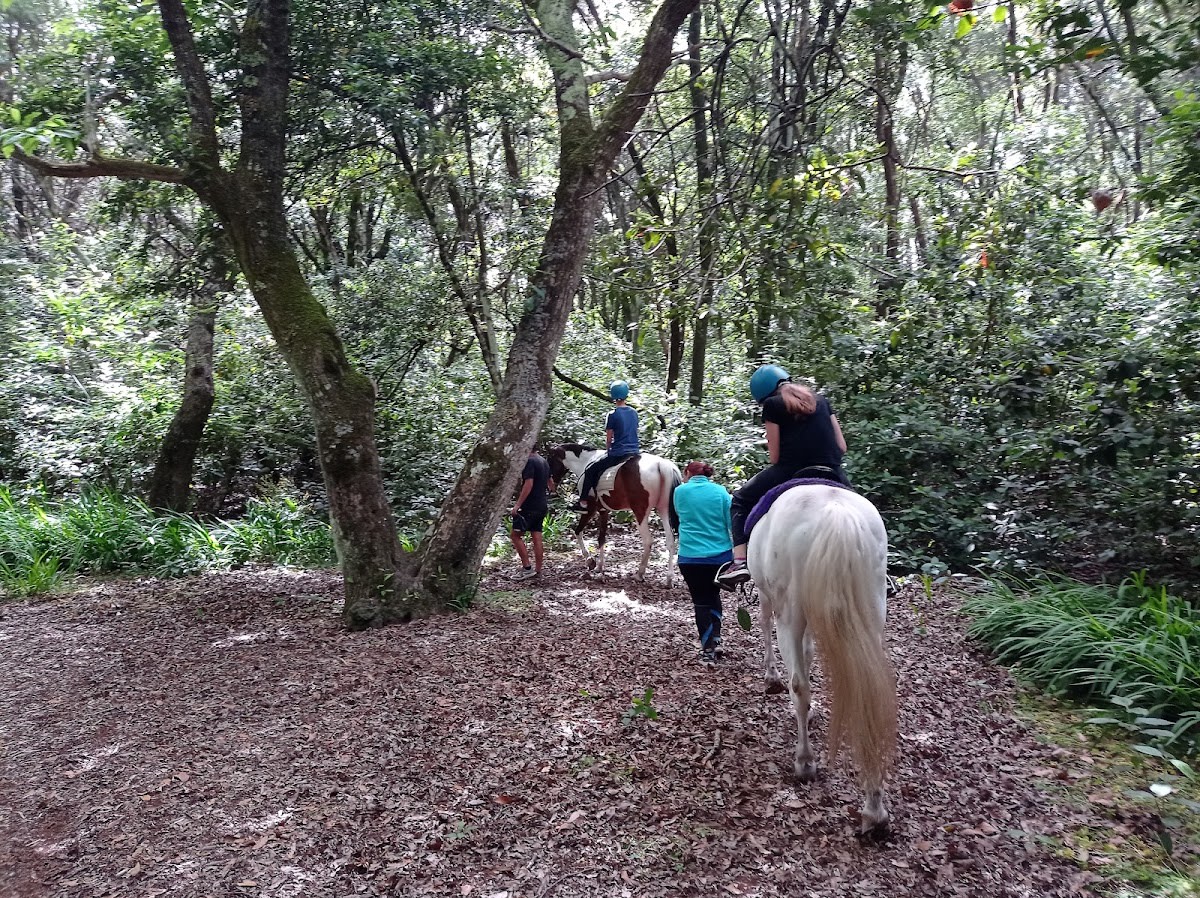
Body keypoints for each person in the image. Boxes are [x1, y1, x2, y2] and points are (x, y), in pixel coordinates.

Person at [715, 364, 849, 590]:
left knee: (739, 500)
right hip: (831, 470)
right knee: (864, 510)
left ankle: (739, 562)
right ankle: (880, 570)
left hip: (790, 470)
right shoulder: (821, 400)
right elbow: (842, 447)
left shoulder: (773, 405)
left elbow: (775, 457)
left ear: (763, 395)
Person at [673, 460, 734, 663]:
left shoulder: (679, 492)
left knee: (700, 601)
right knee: (714, 594)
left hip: (690, 557)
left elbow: (679, 515)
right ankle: (716, 638)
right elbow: (730, 522)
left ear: (687, 473)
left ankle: (708, 649)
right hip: (720, 557)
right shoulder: (721, 492)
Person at [572, 380, 640, 510]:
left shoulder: (612, 415)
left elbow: (609, 438)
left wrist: (609, 450)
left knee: (590, 470)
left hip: (619, 453)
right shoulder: (634, 412)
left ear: (613, 395)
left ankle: (583, 502)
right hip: (635, 451)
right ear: (626, 394)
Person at [511, 446, 554, 579]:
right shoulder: (543, 461)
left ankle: (527, 568)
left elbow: (528, 484)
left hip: (530, 505)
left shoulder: (529, 461)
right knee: (537, 537)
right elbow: (551, 483)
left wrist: (518, 505)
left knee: (515, 536)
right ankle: (538, 570)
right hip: (541, 504)